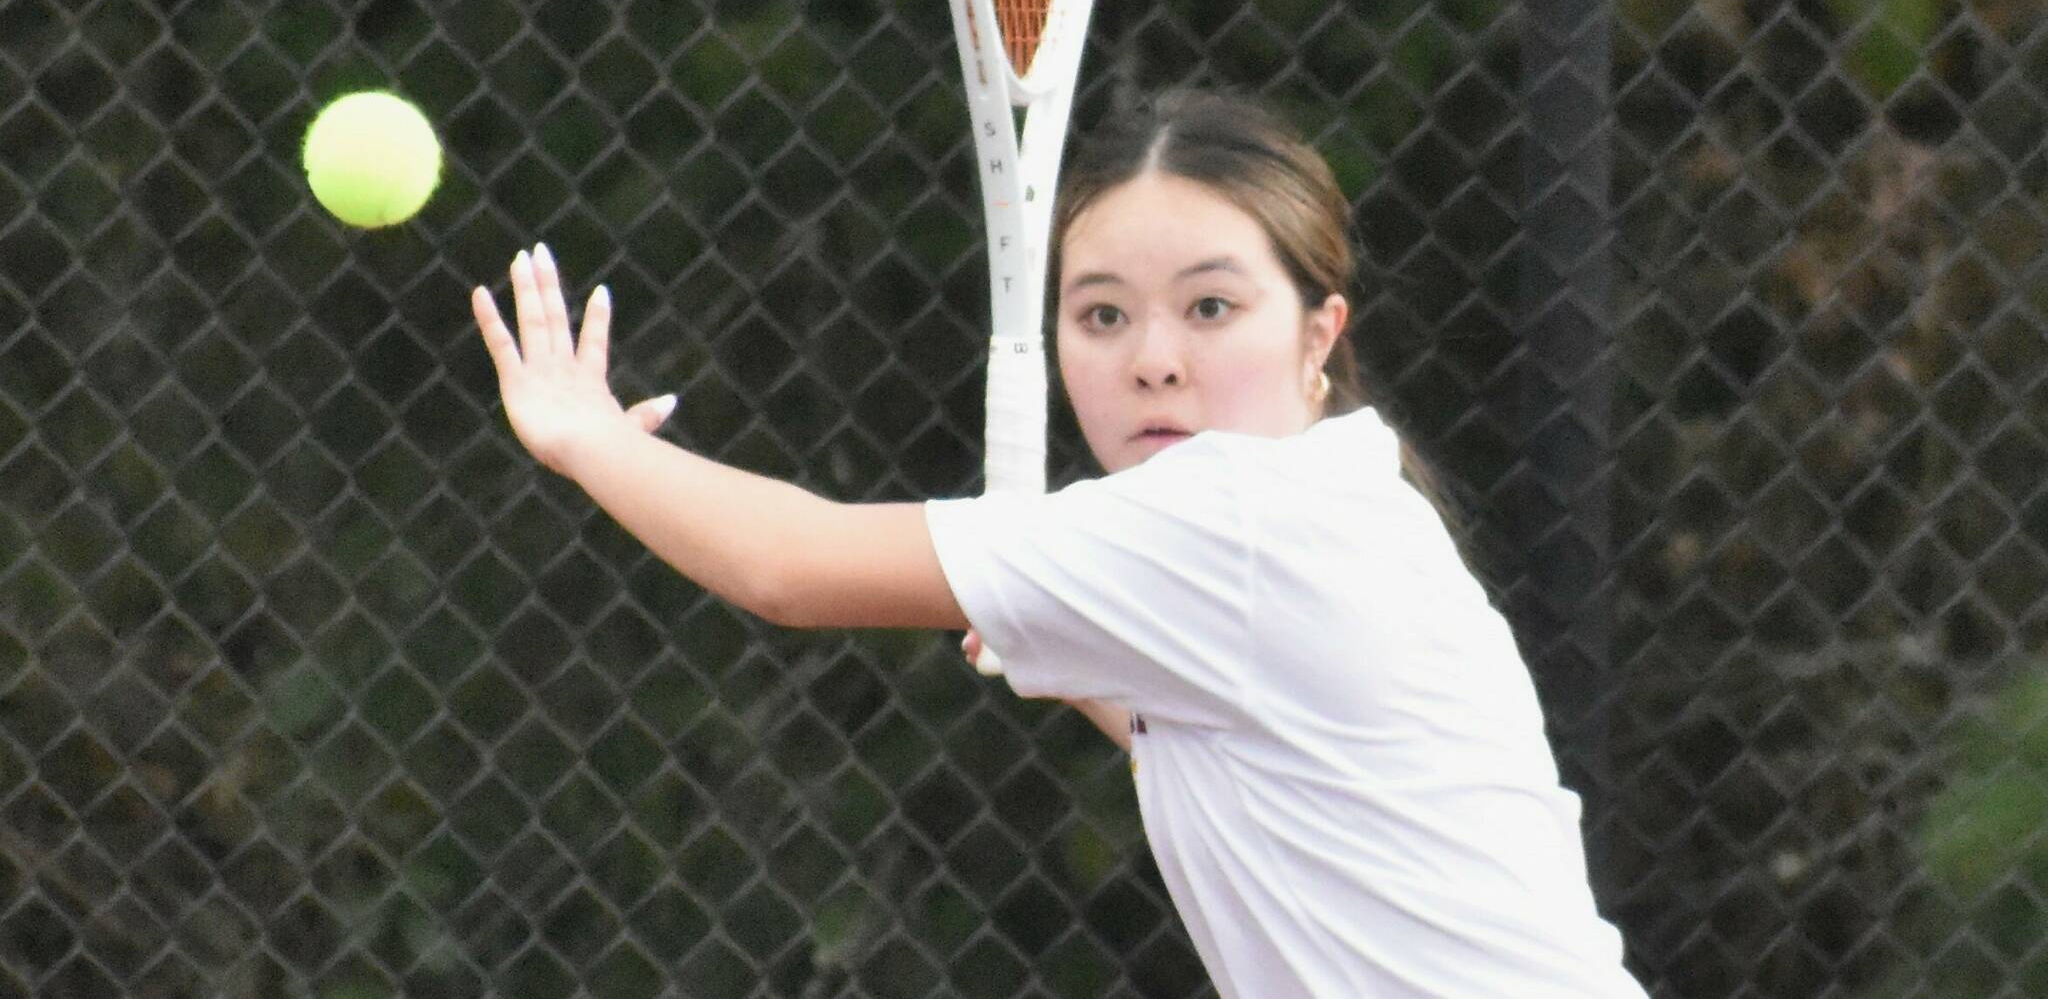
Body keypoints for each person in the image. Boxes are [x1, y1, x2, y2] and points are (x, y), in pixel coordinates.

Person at [471, 89, 1647, 998]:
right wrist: (1068, 643)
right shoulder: (1349, 503)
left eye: (1209, 307)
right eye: (1100, 314)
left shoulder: (1233, 516)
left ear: (1317, 335)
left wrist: (587, 437)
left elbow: (789, 568)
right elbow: (1244, 759)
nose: (1150, 358)